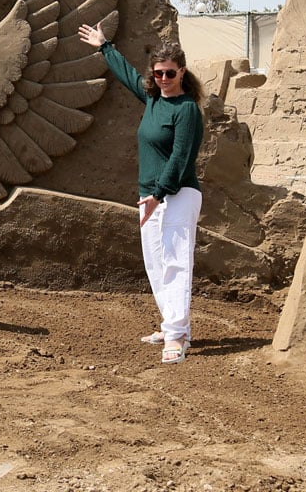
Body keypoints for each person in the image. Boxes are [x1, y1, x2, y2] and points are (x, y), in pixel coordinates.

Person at [78, 24, 204, 364]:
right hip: (150, 195)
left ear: (182, 72)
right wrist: (104, 46)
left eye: (170, 73)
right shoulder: (151, 99)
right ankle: (173, 324)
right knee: (156, 262)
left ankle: (176, 337)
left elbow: (180, 158)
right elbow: (127, 75)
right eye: (159, 73)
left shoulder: (186, 110)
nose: (163, 79)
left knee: (176, 261)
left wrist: (159, 194)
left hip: (177, 193)